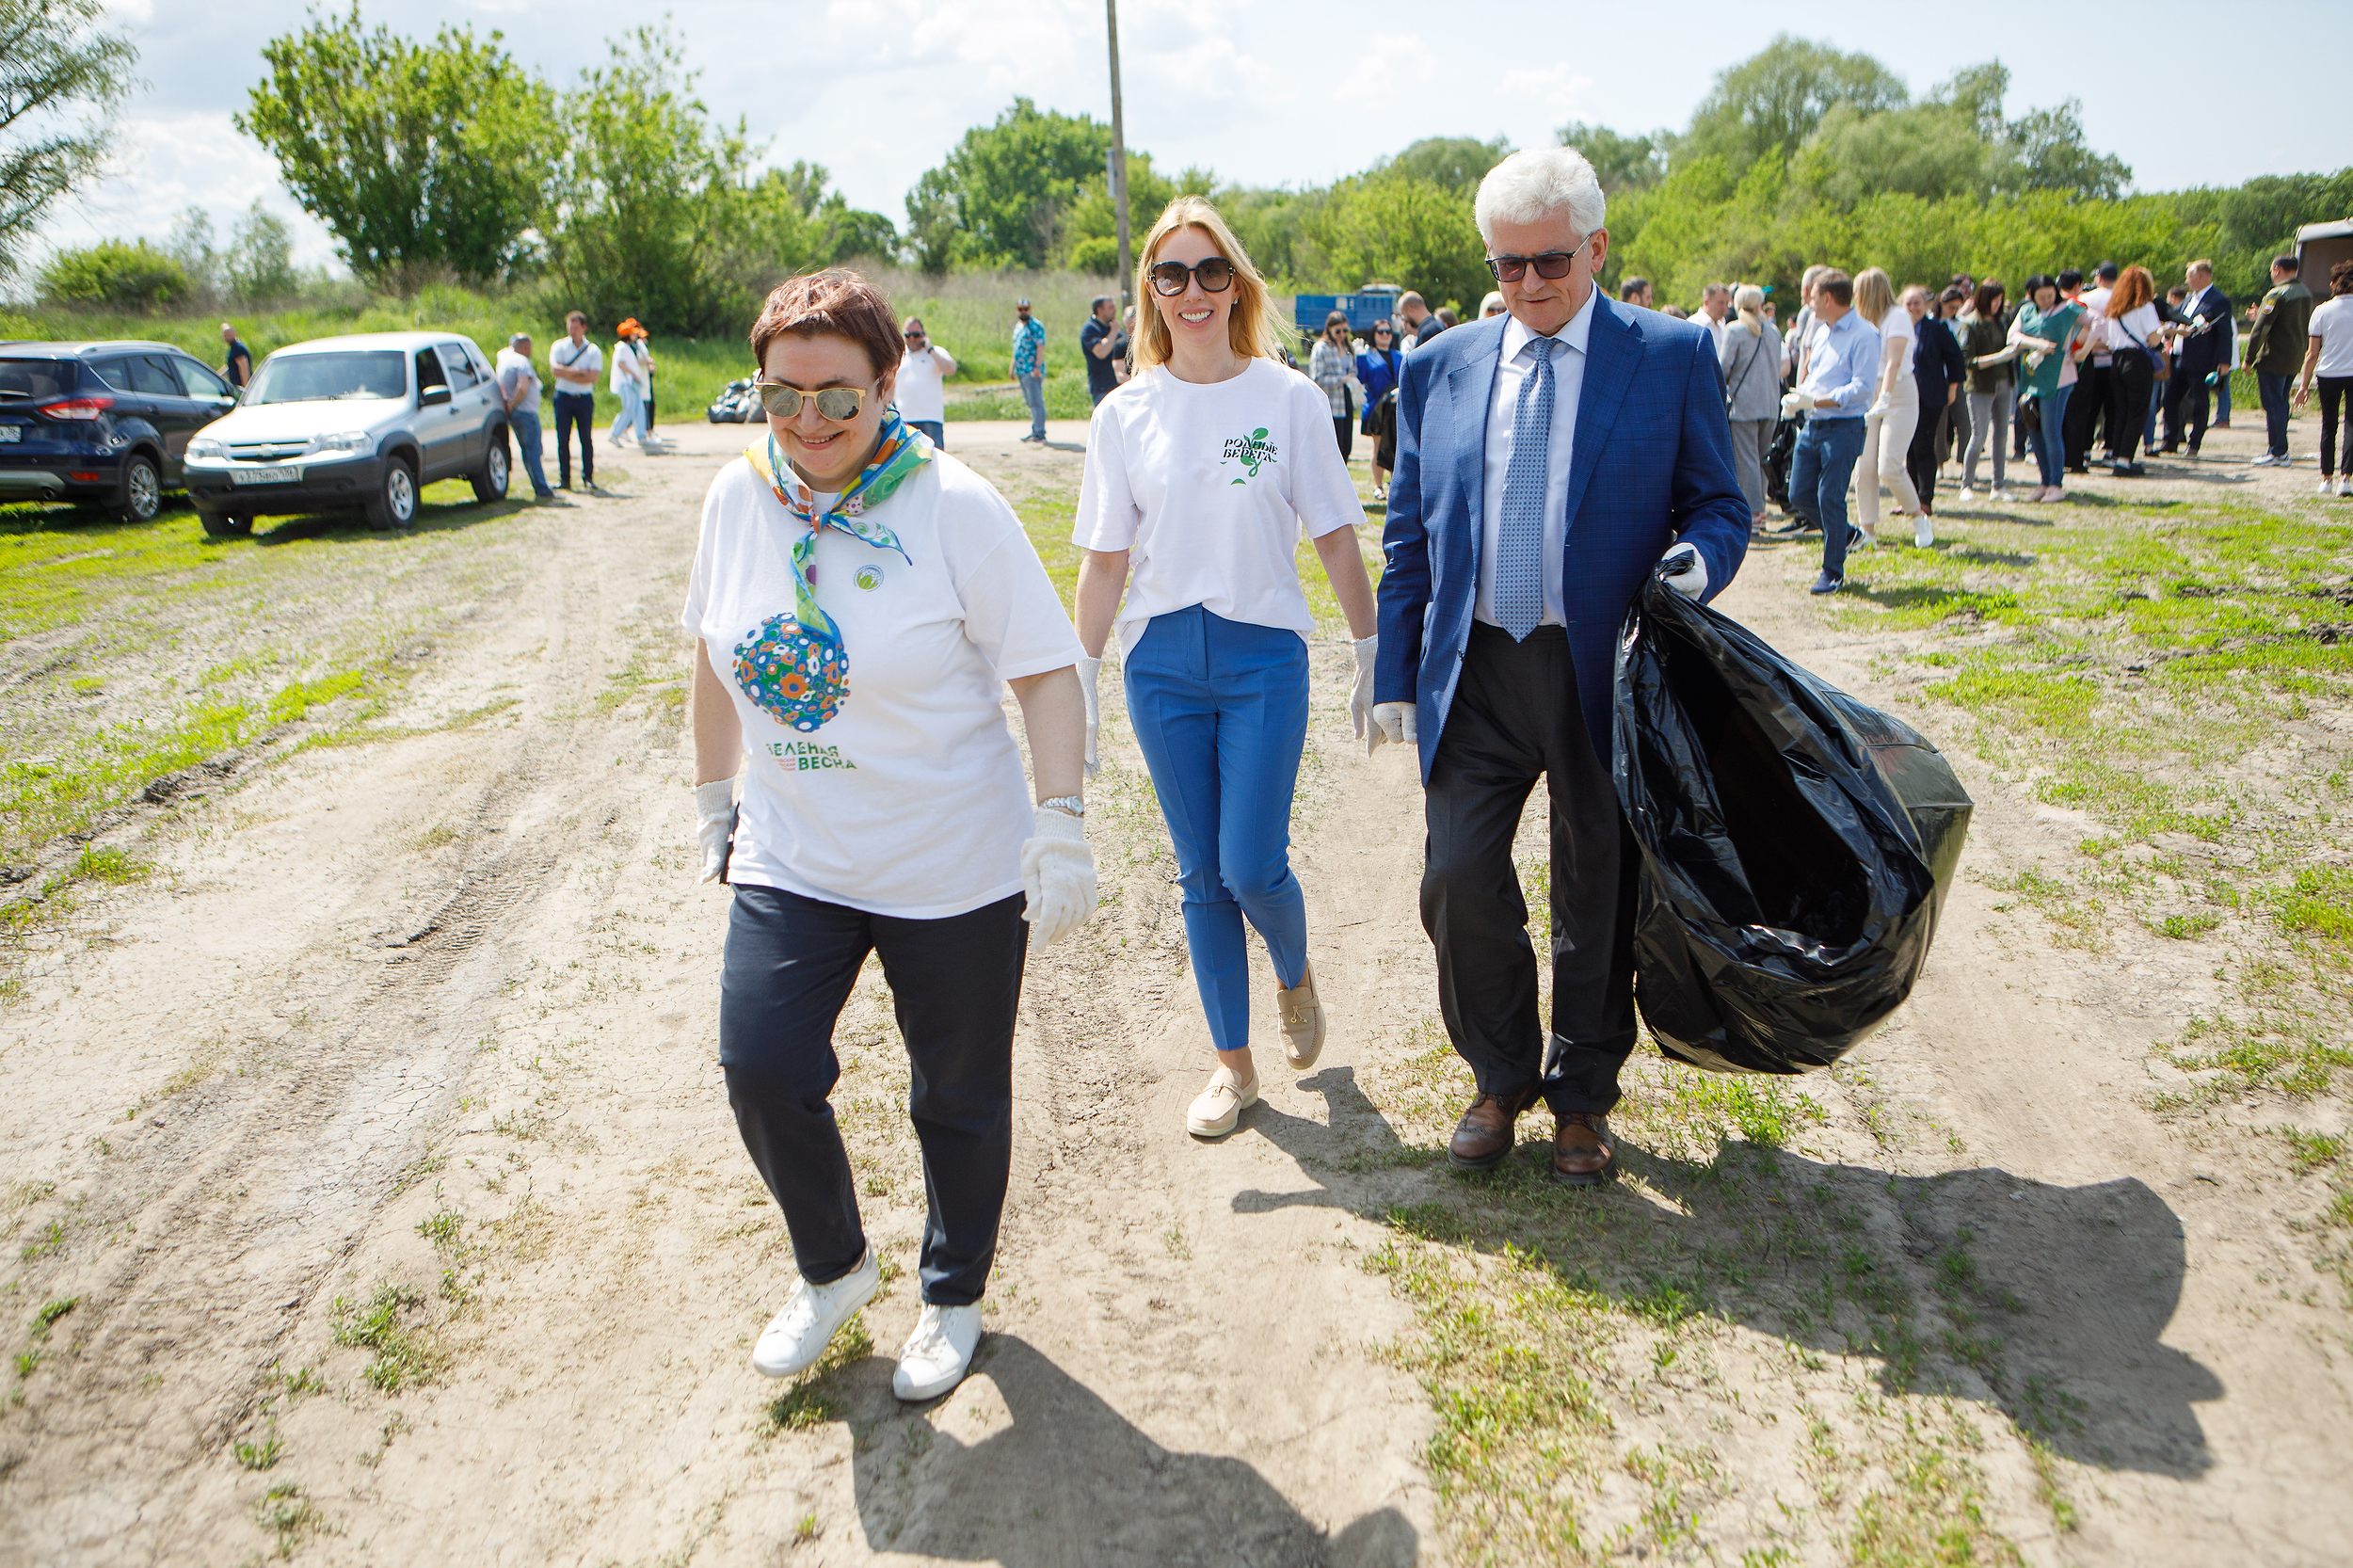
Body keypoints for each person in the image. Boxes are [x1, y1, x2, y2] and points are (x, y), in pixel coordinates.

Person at [684, 268, 1094, 1407]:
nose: (808, 423)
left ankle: (952, 1295)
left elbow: (1047, 673)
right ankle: (835, 1268)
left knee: (955, 1093)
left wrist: (1058, 820)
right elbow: (713, 658)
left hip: (949, 862)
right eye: (781, 396)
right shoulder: (736, 497)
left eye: (838, 397)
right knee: (761, 1066)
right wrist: (712, 800)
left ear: (888, 383)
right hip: (797, 852)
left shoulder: (951, 504)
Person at [1370, 146, 1749, 1186]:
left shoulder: (1667, 356)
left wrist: (1693, 562)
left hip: (1600, 673)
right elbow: (1411, 534)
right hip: (1480, 669)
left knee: (1600, 889)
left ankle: (1581, 1096)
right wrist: (1394, 674)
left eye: (1548, 261)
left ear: (1595, 245)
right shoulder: (1436, 366)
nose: (1529, 285)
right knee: (1456, 877)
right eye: (1506, 267)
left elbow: (1721, 503)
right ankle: (1498, 1075)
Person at [1072, 196, 1379, 1142]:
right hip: (1160, 664)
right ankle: (1232, 1069)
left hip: (1261, 659)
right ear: (1150, 294)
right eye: (1172, 275)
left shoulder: (1286, 397)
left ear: (1234, 284)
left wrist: (1370, 653)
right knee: (1199, 874)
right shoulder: (1125, 414)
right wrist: (1077, 676)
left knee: (1252, 864)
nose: (1193, 290)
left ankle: (1292, 976)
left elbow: (1331, 537)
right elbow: (1104, 560)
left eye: (1212, 272)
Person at [1786, 269, 1879, 590]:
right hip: (1813, 424)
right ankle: (1847, 534)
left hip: (1843, 427)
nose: (1809, 303)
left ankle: (1832, 572)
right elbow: (1817, 375)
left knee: (1830, 497)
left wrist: (1818, 400)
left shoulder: (1865, 335)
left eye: (1812, 297)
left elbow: (1863, 389)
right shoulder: (1823, 330)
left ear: (1827, 298)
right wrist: (1800, 398)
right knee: (1798, 493)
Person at [1853, 268, 1928, 549]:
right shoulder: (1863, 321)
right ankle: (1867, 530)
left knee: (1889, 465)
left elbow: (1894, 362)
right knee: (1865, 466)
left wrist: (1884, 397)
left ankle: (1918, 516)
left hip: (1898, 392)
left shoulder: (1897, 316)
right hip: (1870, 393)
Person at [2012, 275, 2083, 503]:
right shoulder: (2027, 312)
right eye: (2040, 297)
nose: (2045, 301)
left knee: (2051, 429)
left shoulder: (2067, 309)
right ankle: (2045, 481)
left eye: (2050, 296)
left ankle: (2056, 483)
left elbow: (2098, 322)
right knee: (2034, 427)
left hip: (2060, 378)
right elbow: (2012, 337)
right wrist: (2037, 344)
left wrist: (2083, 348)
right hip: (2034, 379)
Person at [1720, 283, 1783, 525]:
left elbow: (1723, 367)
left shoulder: (1735, 330)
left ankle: (1754, 513)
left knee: (1745, 461)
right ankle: (1762, 511)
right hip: (1770, 403)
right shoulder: (1774, 331)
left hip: (1744, 405)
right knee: (1762, 459)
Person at [2247, 253, 2315, 468]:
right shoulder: (2304, 292)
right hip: (2294, 357)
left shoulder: (2277, 293)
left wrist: (2248, 358)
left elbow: (2260, 330)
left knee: (2273, 404)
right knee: (2281, 403)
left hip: (2273, 357)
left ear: (2277, 269)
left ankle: (2278, 451)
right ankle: (2279, 450)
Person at [2293, 258, 2353, 497]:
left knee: (2329, 425)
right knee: (2351, 425)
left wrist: (2304, 385)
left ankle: (2326, 478)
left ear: (2332, 284)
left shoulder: (2321, 311)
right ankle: (2346, 478)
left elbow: (2312, 353)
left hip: (2328, 372)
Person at [2095, 265, 2163, 476]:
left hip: (2116, 359)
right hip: (2137, 361)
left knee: (2121, 411)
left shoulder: (2115, 309)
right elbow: (2153, 339)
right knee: (2138, 411)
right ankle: (2125, 461)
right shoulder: (2145, 307)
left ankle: (2117, 456)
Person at [1905, 285, 1965, 513]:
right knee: (1907, 448)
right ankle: (1909, 498)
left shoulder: (1937, 329)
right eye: (1909, 303)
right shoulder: (1899, 329)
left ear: (1928, 304)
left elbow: (1956, 359)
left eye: (1917, 303)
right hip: (1904, 398)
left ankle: (1924, 500)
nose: (1913, 308)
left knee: (1923, 446)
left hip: (1930, 397)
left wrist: (1952, 389)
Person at [2163, 260, 2231, 457]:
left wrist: (2224, 361)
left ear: (2201, 276)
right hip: (2179, 358)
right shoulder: (2188, 300)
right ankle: (2170, 440)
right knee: (2170, 399)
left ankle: (2194, 443)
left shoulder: (2217, 300)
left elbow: (2225, 333)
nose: (2186, 280)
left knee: (2200, 402)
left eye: (2189, 275)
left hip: (2201, 361)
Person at [1957, 279, 2012, 500]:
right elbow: (1968, 360)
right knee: (1978, 435)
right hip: (1980, 386)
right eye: (1994, 300)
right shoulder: (1970, 324)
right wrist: (1998, 358)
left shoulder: (2002, 322)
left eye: (2000, 300)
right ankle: (1966, 485)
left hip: (2004, 382)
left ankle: (1998, 485)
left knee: (2001, 435)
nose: (1998, 305)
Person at [2065, 262, 2118, 472]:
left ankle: (2084, 450)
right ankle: (2110, 450)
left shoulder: (2085, 299)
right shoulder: (2121, 298)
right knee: (2112, 409)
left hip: (2088, 358)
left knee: (2088, 409)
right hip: (2113, 357)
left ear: (2099, 278)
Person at [495, 332, 556, 502]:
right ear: (526, 347)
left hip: (516, 413)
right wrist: (512, 404)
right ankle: (542, 489)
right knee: (533, 451)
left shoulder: (505, 360)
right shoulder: (522, 362)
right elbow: (522, 387)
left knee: (528, 451)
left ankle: (538, 485)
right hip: (526, 413)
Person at [550, 311, 601, 491]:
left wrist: (568, 372)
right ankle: (565, 478)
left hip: (583, 399)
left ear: (583, 328)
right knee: (562, 439)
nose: (572, 331)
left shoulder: (593, 350)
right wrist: (580, 372)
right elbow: (556, 370)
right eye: (570, 327)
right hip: (563, 397)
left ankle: (588, 476)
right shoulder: (559, 346)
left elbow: (593, 377)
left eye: (576, 327)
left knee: (585, 439)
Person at [1356, 318, 1404, 501]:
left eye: (1388, 332)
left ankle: (1394, 485)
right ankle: (1378, 486)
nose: (1385, 335)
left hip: (1395, 406)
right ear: (1374, 334)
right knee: (1378, 447)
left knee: (1395, 447)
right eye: (1381, 332)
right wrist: (1360, 357)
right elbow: (1362, 378)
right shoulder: (1368, 355)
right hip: (1377, 407)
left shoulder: (1399, 355)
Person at [894, 315, 956, 448]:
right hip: (905, 421)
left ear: (923, 335)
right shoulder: (898, 356)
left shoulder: (936, 353)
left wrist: (930, 350)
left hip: (931, 420)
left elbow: (951, 369)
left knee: (934, 461)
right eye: (908, 335)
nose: (912, 339)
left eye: (916, 335)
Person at [1307, 308, 1362, 460]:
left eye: (1345, 330)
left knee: (1346, 446)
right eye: (1338, 331)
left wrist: (1351, 378)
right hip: (1330, 402)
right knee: (1332, 448)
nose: (1342, 335)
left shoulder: (1347, 346)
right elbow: (1317, 379)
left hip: (1345, 400)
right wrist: (1341, 379)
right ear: (1329, 329)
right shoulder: (1321, 348)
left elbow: (1353, 368)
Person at [609, 319, 651, 448]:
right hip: (626, 383)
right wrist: (633, 374)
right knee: (628, 408)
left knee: (639, 409)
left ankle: (641, 436)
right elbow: (621, 364)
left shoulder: (629, 347)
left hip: (632, 383)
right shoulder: (622, 347)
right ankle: (614, 434)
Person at [1011, 298, 1048, 442]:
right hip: (1021, 369)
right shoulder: (1018, 327)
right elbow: (1017, 347)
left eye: (1026, 309)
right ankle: (1035, 429)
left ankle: (1039, 432)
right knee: (1029, 402)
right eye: (1020, 309)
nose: (1023, 312)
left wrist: (1037, 366)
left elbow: (1040, 346)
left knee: (1036, 401)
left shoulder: (1036, 326)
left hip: (1032, 369)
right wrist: (1012, 366)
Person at [1079, 296, 1125, 408]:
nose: (1115, 310)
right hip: (1102, 387)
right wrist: (1114, 331)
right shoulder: (1090, 329)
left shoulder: (1113, 328)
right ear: (1100, 310)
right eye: (1110, 307)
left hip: (1119, 385)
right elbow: (1101, 353)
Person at [1694, 282, 1732, 356]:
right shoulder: (1695, 325)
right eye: (1720, 303)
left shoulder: (1722, 324)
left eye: (1727, 303)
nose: (1724, 307)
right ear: (1706, 302)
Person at [219, 323, 252, 391]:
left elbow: (244, 368)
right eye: (225, 335)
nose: (227, 337)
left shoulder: (238, 348)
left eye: (229, 334)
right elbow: (229, 367)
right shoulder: (233, 348)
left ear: (234, 333)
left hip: (240, 388)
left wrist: (245, 389)